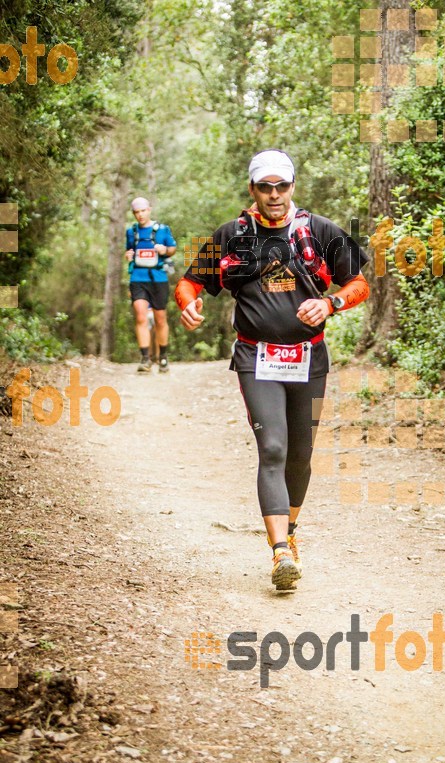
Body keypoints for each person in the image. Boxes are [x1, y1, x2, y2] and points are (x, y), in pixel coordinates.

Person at [175, 150, 370, 589]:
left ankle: (292, 535)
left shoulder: (320, 232)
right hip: (256, 358)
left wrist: (331, 302)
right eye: (266, 186)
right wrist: (188, 304)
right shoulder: (232, 235)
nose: (275, 194)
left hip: (309, 357)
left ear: (293, 186)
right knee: (274, 449)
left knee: (300, 456)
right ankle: (280, 551)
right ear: (253, 190)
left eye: (281, 185)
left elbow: (359, 283)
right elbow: (189, 282)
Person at [125, 197, 177, 373]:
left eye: (143, 211)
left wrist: (165, 250)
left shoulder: (163, 230)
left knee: (160, 319)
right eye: (136, 212)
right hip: (137, 278)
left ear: (149, 209)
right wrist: (129, 254)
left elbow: (172, 248)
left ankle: (162, 357)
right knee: (140, 316)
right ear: (134, 214)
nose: (140, 215)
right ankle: (145, 358)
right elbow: (129, 249)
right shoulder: (131, 232)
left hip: (158, 279)